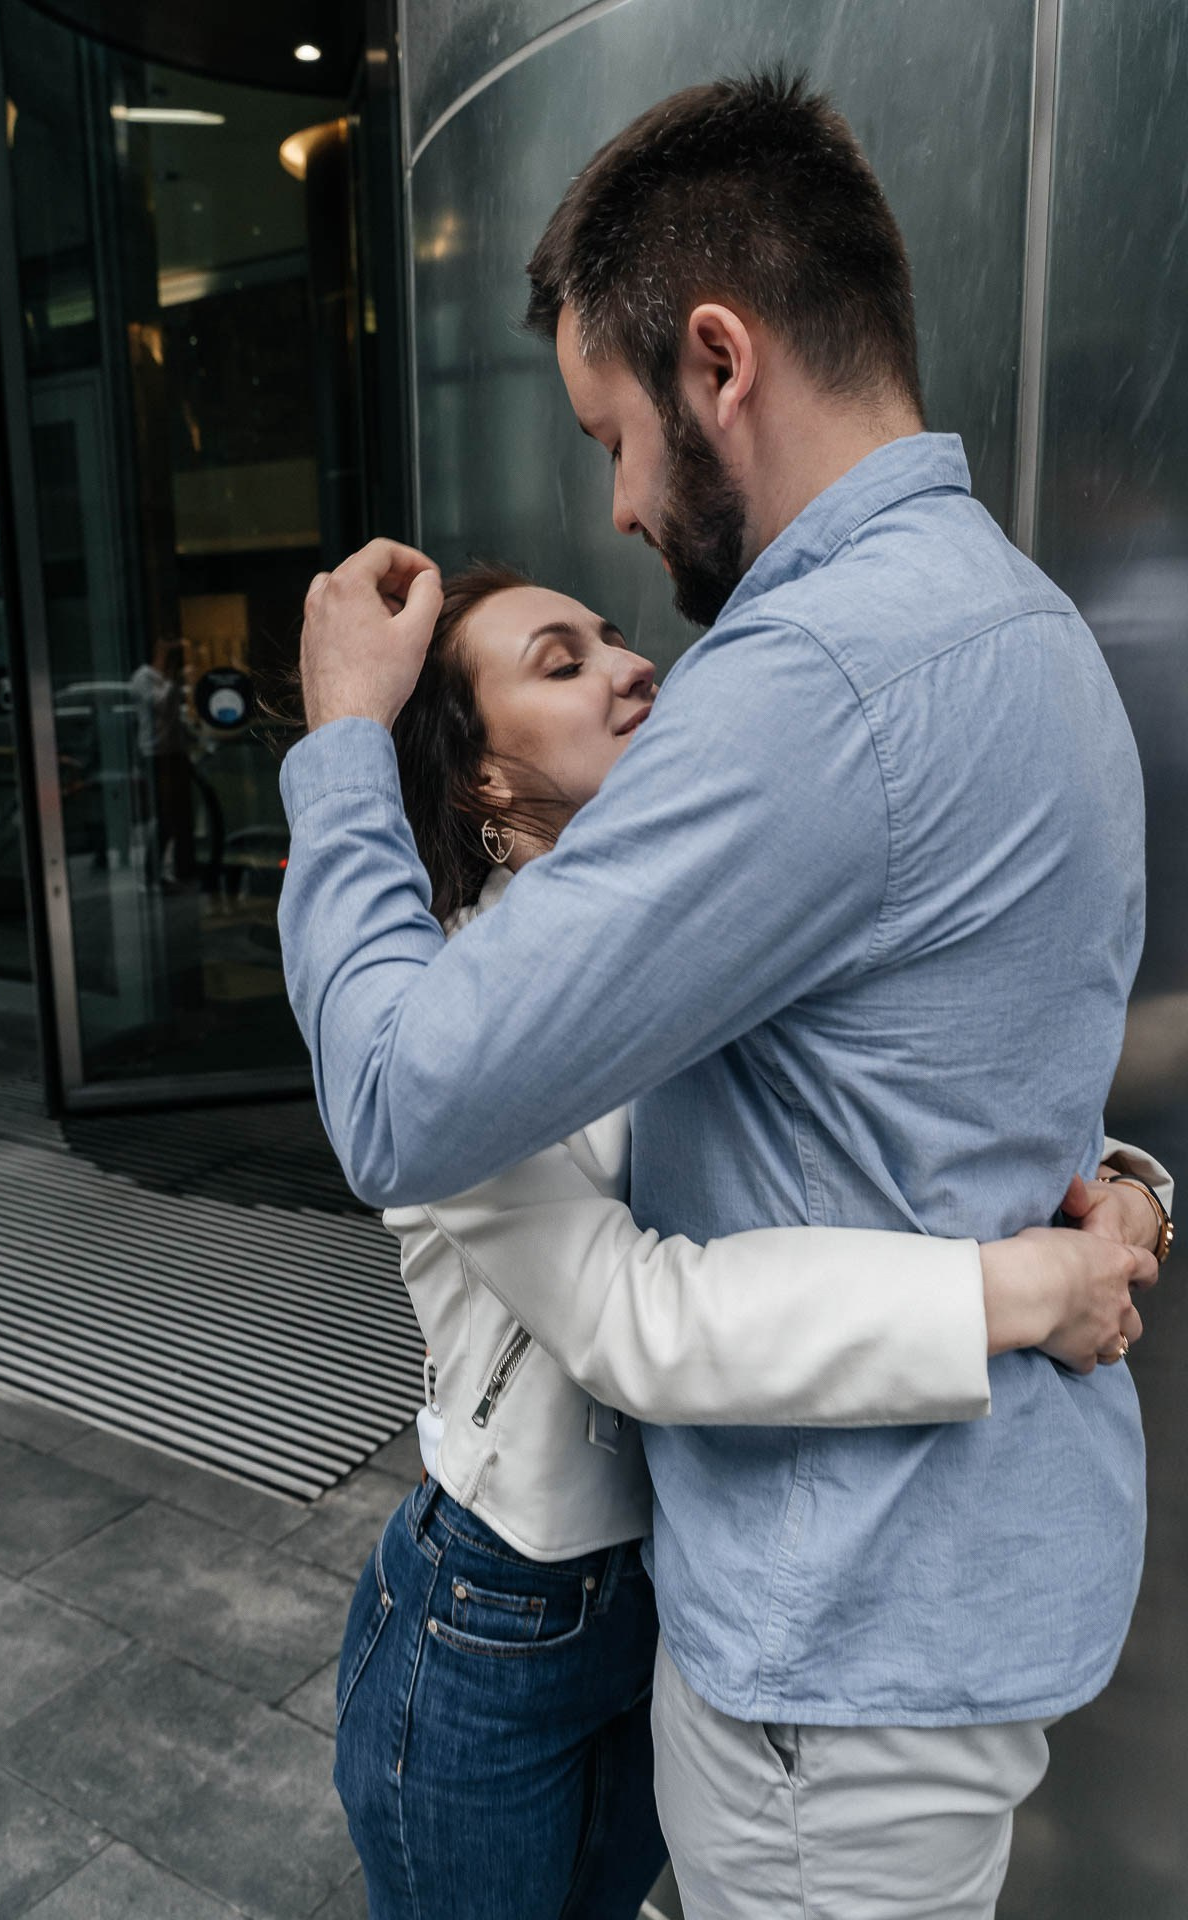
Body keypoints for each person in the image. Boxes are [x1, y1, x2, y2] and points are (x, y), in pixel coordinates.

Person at [280, 72, 1176, 1919]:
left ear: (719, 361)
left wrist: (337, 746)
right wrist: (1071, 1227)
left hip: (839, 1646)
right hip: (767, 1620)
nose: (615, 510)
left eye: (610, 429)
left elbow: (393, 1095)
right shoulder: (1022, 633)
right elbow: (929, 1074)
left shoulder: (821, 684)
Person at [328, 561, 1165, 1920]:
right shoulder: (443, 1028)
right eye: (560, 662)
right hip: (494, 1624)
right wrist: (1000, 1294)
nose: (629, 663)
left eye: (612, 634)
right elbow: (639, 1319)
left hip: (688, 1586)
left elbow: (898, 1106)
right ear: (483, 782)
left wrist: (1124, 1179)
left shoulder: (705, 917)